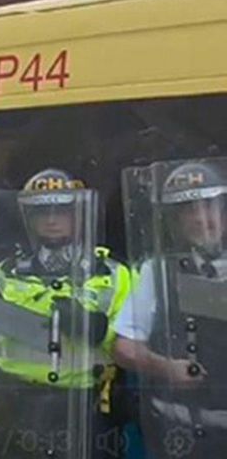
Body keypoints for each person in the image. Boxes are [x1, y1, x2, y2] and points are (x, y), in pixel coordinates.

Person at [0, 168, 131, 459]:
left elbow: (132, 341)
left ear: (77, 215)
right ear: (29, 219)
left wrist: (96, 330)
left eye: (61, 211)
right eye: (42, 212)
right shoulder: (7, 273)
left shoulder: (114, 275)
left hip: (81, 410)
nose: (51, 220)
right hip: (15, 407)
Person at [114, 160, 227, 456]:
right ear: (175, 222)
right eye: (189, 210)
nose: (202, 219)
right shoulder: (157, 272)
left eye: (209, 206)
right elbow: (124, 347)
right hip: (180, 437)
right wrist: (165, 369)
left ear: (224, 213)